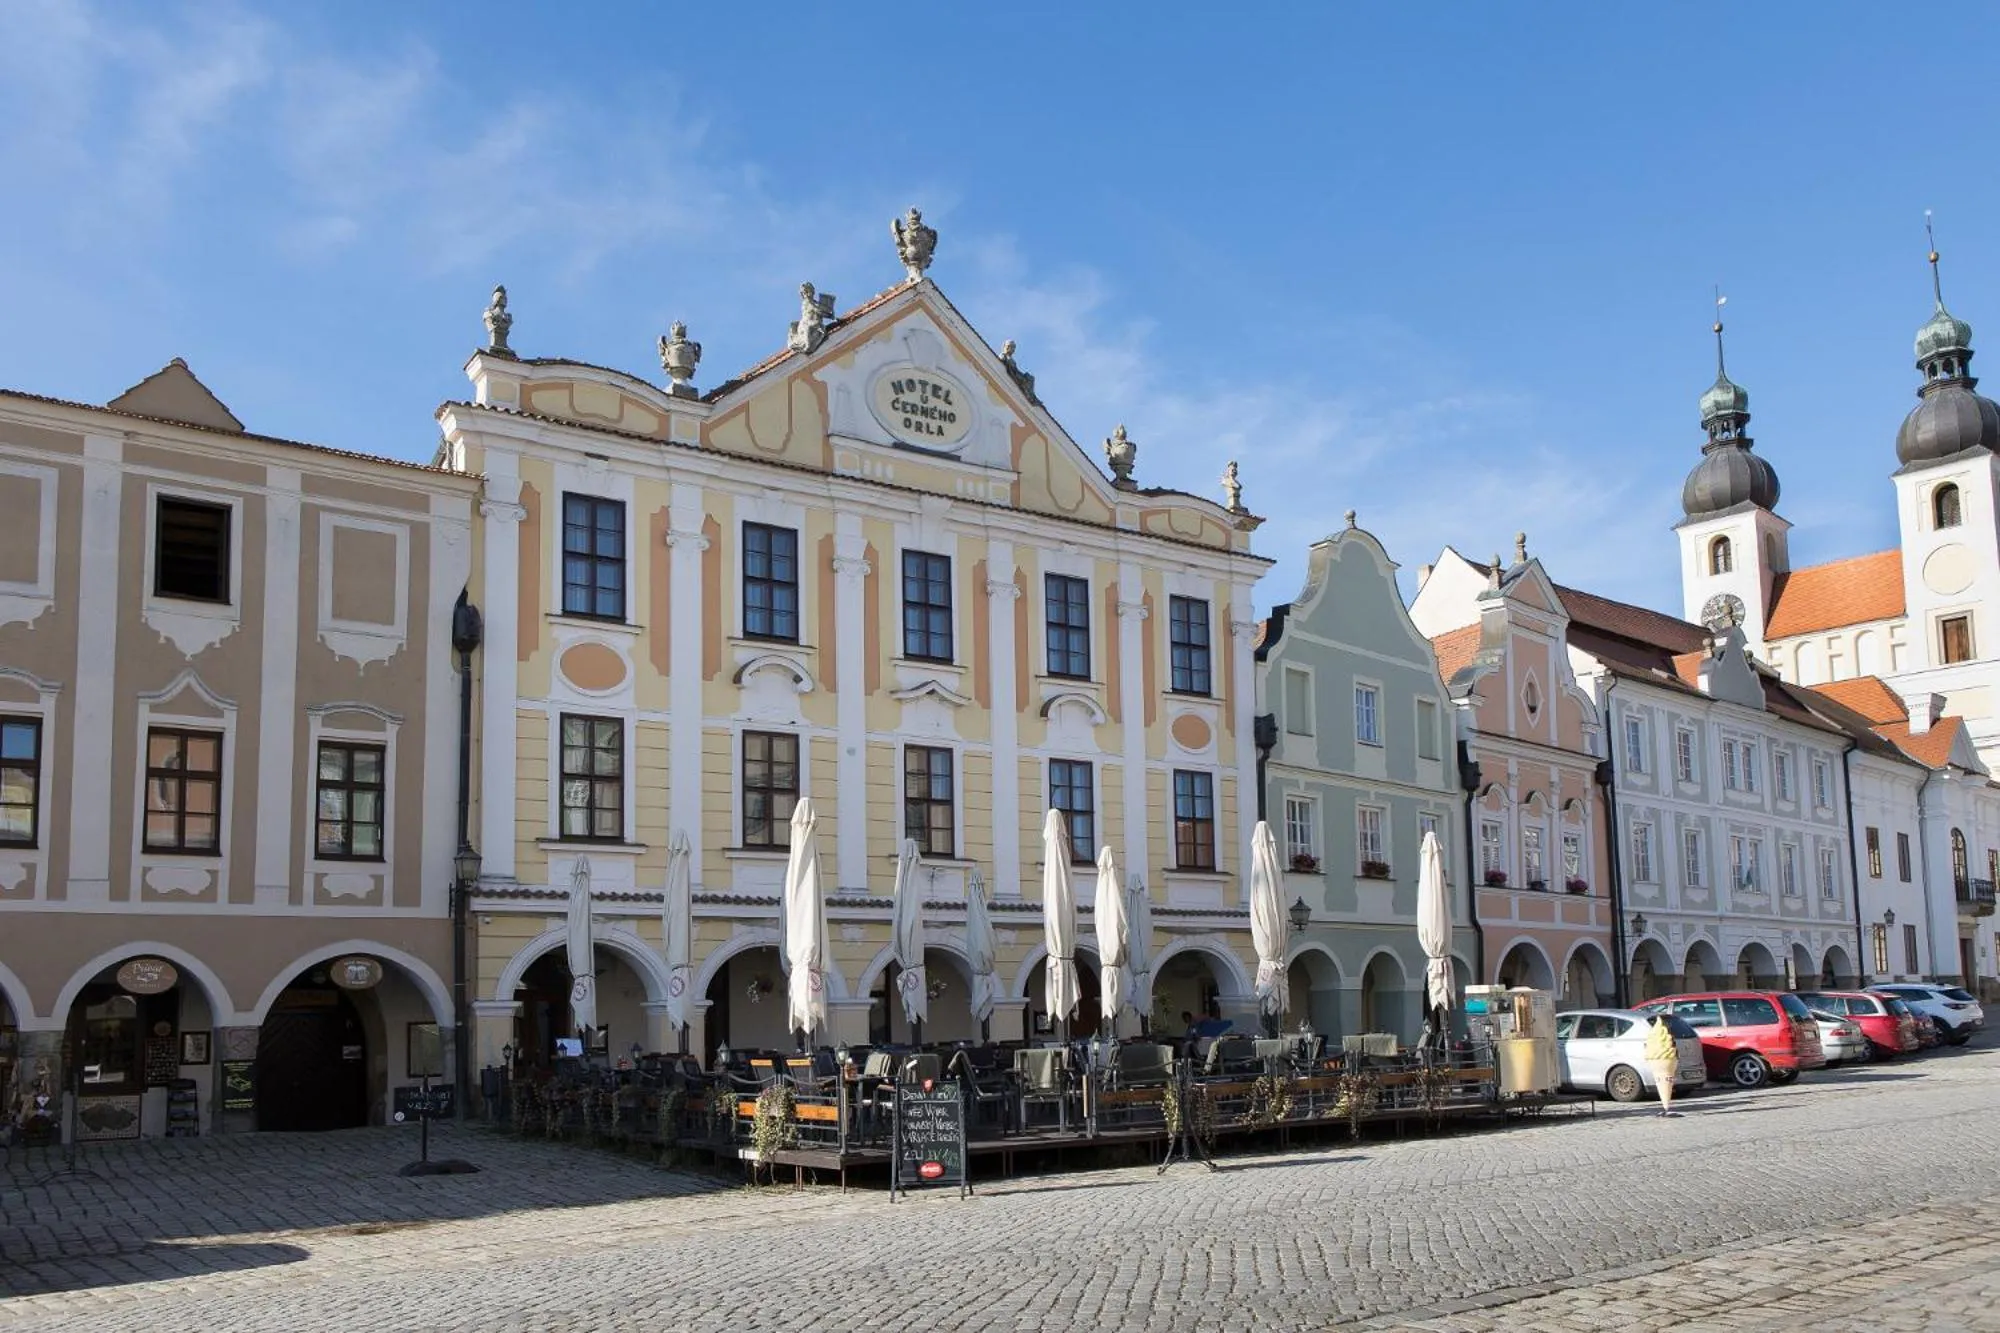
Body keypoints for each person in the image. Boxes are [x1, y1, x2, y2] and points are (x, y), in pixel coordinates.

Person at [1643, 1015, 1681, 1117]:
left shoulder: (1654, 1034)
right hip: (1663, 1056)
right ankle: (1666, 1107)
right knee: (1666, 1083)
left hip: (1660, 1055)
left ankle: (1666, 1107)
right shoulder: (1664, 1035)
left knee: (1664, 1083)